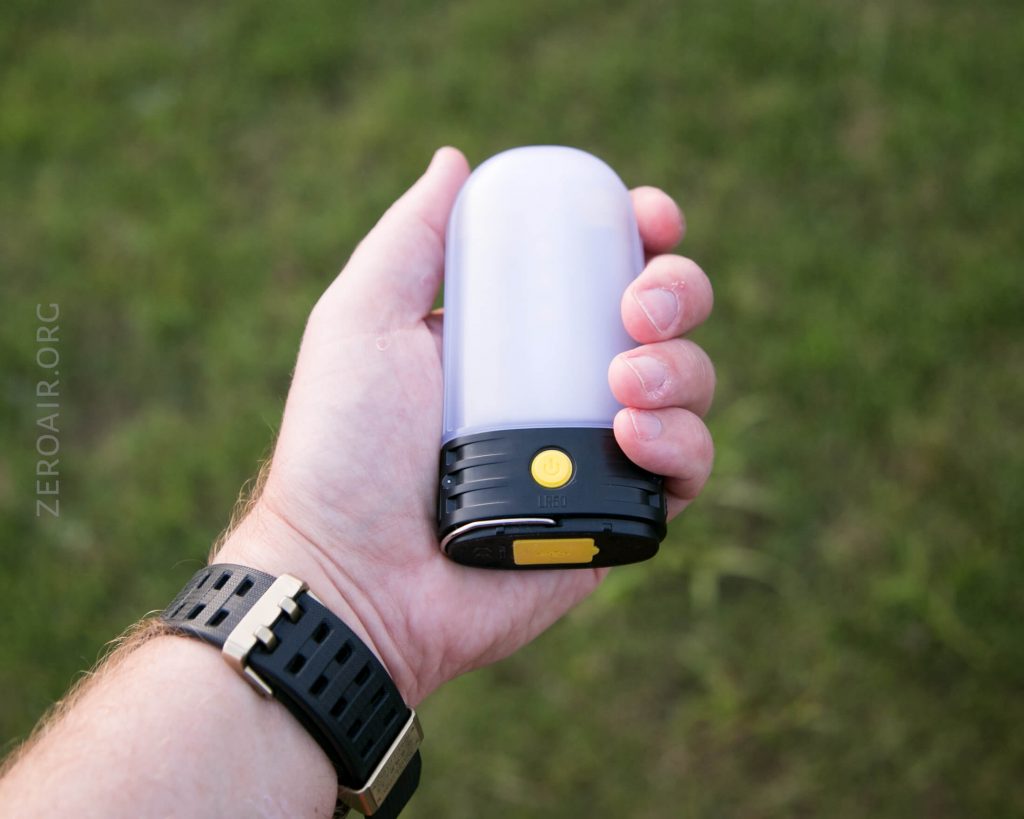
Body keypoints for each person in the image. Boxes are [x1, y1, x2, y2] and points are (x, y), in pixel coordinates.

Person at [0, 147, 715, 816]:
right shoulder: (501, 194)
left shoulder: (500, 195)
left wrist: (342, 594)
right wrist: (339, 580)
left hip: (501, 492)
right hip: (575, 490)